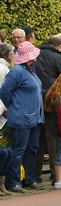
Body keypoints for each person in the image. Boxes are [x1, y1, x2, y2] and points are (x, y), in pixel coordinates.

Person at [0, 41, 44, 192]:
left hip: (35, 117)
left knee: (32, 149)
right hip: (21, 117)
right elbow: (4, 91)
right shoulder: (17, 71)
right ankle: (13, 182)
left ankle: (29, 179)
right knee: (19, 150)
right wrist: (13, 106)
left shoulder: (32, 69)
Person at [43, 72, 61, 189]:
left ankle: (58, 175)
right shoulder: (58, 96)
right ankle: (57, 176)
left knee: (56, 150)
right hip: (55, 127)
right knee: (56, 151)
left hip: (52, 125)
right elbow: (59, 114)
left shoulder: (54, 93)